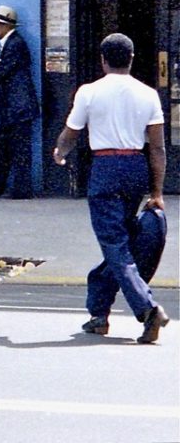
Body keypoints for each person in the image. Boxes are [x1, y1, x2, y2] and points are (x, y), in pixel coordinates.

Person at [52, 33, 169, 344]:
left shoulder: (89, 92)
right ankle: (98, 312)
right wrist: (156, 193)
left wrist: (60, 153)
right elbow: (157, 148)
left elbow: (71, 131)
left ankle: (147, 309)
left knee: (115, 244)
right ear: (131, 59)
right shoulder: (147, 94)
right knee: (120, 242)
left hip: (105, 167)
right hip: (136, 169)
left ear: (103, 60)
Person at [0, 5, 39, 199]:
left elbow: (2, 70)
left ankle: (19, 188)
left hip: (17, 107)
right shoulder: (12, 43)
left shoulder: (14, 44)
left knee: (17, 149)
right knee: (5, 147)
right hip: (14, 107)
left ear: (6, 26)